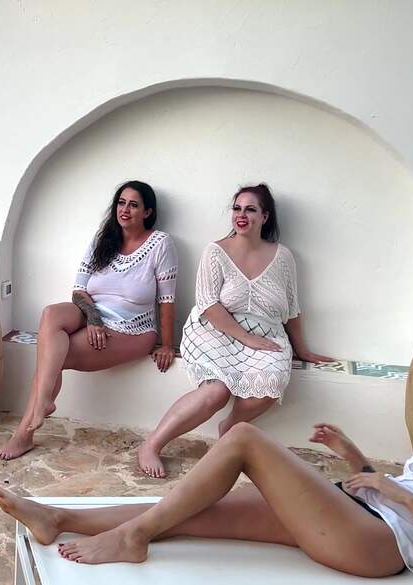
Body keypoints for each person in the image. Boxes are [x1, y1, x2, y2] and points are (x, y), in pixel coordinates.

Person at [0, 422, 413, 576]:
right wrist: (354, 456)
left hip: (379, 542)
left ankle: (133, 536)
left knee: (244, 439)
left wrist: (398, 494)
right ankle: (57, 517)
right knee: (192, 512)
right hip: (358, 511)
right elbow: (400, 488)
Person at [137, 183, 333, 477]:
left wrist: (302, 349)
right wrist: (246, 338)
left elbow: (292, 309)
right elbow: (207, 303)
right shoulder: (216, 252)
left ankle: (229, 427)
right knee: (216, 392)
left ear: (265, 216)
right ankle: (151, 445)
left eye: (250, 209)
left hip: (267, 335)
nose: (241, 215)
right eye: (237, 208)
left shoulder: (283, 257)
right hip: (213, 330)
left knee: (271, 384)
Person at [0, 180, 178, 460]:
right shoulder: (103, 239)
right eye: (121, 203)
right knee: (51, 314)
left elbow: (167, 300)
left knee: (52, 355)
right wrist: (94, 319)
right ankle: (43, 404)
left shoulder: (160, 244)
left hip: (132, 328)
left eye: (133, 205)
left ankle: (25, 433)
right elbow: (79, 290)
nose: (125, 209)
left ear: (148, 212)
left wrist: (166, 344)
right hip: (93, 314)